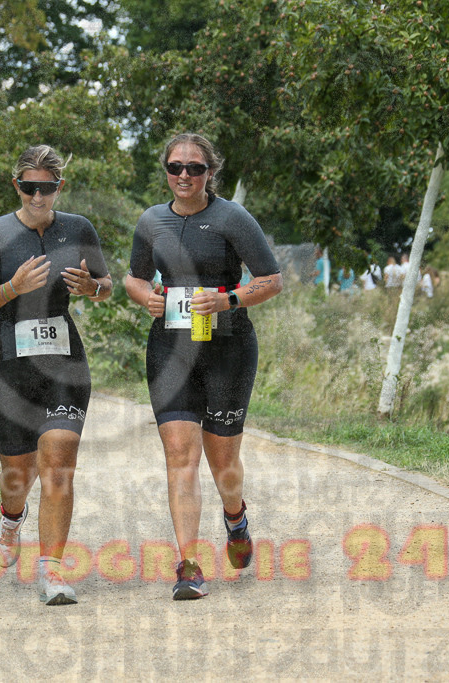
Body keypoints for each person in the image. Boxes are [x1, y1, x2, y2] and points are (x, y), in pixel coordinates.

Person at [124, 133, 282, 600]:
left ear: (211, 172)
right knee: (180, 454)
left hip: (227, 349)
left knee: (222, 460)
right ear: (166, 171)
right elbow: (134, 277)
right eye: (176, 167)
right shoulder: (151, 221)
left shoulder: (232, 217)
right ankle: (189, 565)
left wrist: (227, 298)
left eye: (195, 168)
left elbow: (272, 279)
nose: (185, 176)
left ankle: (236, 520)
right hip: (169, 349)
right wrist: (147, 298)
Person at [0, 145, 112, 606]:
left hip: (64, 363)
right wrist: (11, 288)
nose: (38, 195)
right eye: (29, 186)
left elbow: (105, 284)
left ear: (59, 187)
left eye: (47, 187)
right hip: (8, 367)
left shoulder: (78, 228)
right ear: (17, 185)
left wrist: (93, 288)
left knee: (58, 460)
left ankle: (51, 570)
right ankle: (9, 523)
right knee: (17, 473)